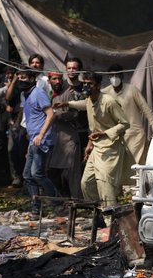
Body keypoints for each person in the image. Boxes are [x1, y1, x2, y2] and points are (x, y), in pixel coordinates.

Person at [55, 72, 134, 208]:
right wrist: (66, 103)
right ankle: (99, 213)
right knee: (86, 183)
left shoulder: (108, 101)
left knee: (105, 183)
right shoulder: (89, 100)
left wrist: (105, 133)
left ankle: (110, 216)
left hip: (111, 148)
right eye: (84, 83)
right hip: (97, 148)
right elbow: (82, 104)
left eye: (90, 84)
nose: (86, 86)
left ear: (97, 86)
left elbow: (125, 123)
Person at [18, 67, 59, 217]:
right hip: (33, 141)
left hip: (43, 140)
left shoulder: (38, 93)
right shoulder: (25, 95)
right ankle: (36, 208)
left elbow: (50, 114)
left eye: (23, 78)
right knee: (28, 175)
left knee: (37, 173)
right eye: (19, 78)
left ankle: (58, 203)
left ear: (31, 79)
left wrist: (41, 134)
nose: (20, 81)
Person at [101, 64, 153, 164]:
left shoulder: (132, 89)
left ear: (122, 76)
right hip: (117, 136)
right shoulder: (105, 93)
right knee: (120, 166)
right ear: (108, 77)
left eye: (117, 75)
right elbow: (90, 103)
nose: (114, 78)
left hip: (135, 134)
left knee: (134, 164)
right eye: (112, 75)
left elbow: (145, 108)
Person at [47, 72, 83, 199]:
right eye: (54, 79)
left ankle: (76, 200)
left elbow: (75, 114)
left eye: (59, 79)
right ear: (49, 80)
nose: (57, 81)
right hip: (56, 140)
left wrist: (58, 114)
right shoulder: (49, 95)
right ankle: (63, 200)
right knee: (53, 172)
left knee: (71, 173)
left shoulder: (68, 94)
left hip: (69, 139)